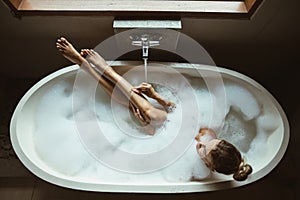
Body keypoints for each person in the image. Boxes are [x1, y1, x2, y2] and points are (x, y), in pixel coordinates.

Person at [56, 37, 175, 135]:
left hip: (161, 126)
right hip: (166, 120)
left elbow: (152, 134)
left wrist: (145, 124)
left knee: (147, 114)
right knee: (149, 113)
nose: (195, 140)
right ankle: (95, 69)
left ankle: (101, 69)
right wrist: (155, 96)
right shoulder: (187, 126)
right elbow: (174, 109)